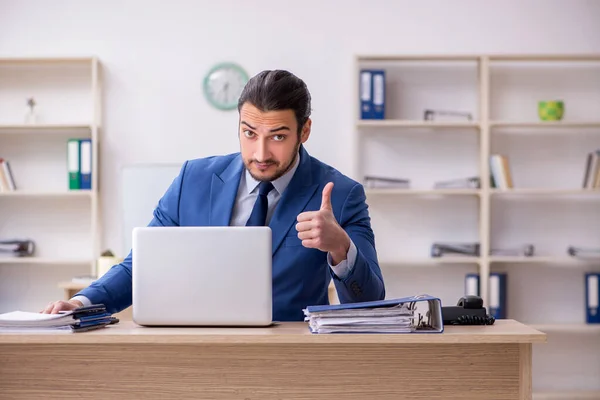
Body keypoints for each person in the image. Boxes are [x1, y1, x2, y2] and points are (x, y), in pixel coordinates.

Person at [42, 69, 386, 321]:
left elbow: (371, 300)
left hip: (286, 358)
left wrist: (340, 247)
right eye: (249, 133)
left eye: (278, 137)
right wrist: (83, 303)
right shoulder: (194, 179)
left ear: (304, 130)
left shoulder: (340, 194)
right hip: (190, 345)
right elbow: (141, 266)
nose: (261, 152)